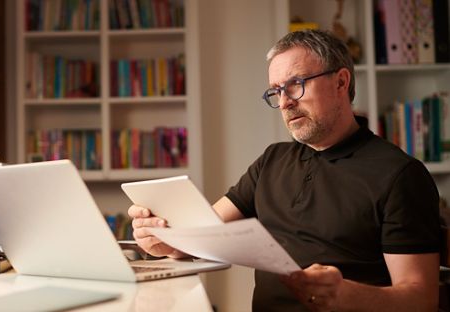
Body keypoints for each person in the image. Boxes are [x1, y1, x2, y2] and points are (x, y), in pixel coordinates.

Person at [128, 29, 441, 311]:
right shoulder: (272, 160)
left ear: (341, 82)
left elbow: (421, 299)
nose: (285, 102)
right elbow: (204, 234)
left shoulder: (399, 175)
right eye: (276, 91)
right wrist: (164, 238)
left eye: (296, 85)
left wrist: (346, 295)